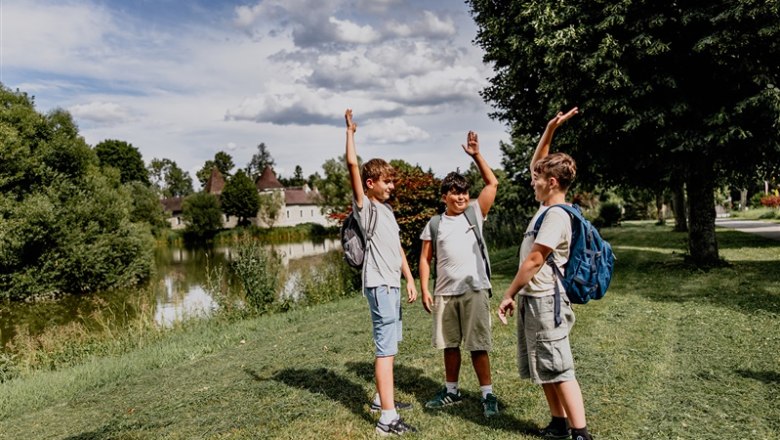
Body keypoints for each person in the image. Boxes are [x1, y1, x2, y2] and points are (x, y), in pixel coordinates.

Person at [497, 107, 595, 440]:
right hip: (535, 299)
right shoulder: (547, 205)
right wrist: (550, 128)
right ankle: (558, 423)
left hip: (545, 300)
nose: (532, 181)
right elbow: (536, 162)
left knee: (560, 366)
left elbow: (535, 260)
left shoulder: (556, 215)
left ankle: (580, 432)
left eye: (537, 179)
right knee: (545, 365)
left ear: (551, 183)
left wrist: (509, 293)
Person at [344, 108, 419, 436]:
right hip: (378, 284)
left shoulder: (386, 211)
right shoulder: (366, 207)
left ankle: (379, 399)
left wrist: (410, 277)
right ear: (370, 183)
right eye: (386, 182)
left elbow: (398, 248)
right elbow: (351, 166)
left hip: (393, 284)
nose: (391, 187)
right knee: (384, 349)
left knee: (392, 343)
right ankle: (387, 419)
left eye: (392, 182)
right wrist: (350, 133)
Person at [418, 131, 500, 418]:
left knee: (478, 345)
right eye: (455, 192)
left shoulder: (476, 213)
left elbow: (492, 183)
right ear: (444, 197)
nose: (462, 196)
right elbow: (425, 259)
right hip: (445, 293)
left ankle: (488, 395)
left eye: (465, 191)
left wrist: (476, 155)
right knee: (449, 345)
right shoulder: (435, 223)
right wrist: (426, 289)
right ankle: (451, 391)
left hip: (475, 290)